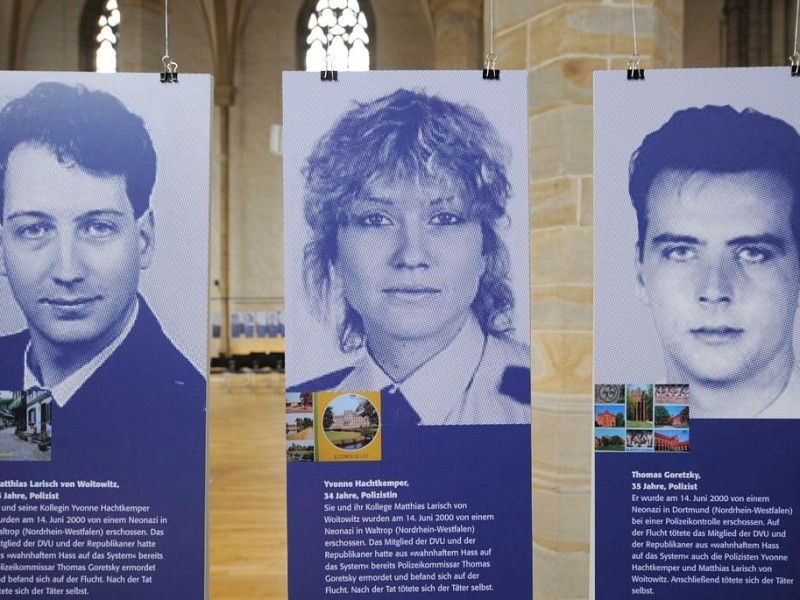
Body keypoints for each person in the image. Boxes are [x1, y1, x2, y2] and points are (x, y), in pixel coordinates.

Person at [0, 82, 204, 597]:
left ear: (144, 240)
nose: (66, 271)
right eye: (33, 229)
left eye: (96, 227)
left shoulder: (193, 415)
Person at [288, 89, 530, 426]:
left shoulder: (540, 400)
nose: (412, 256)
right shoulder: (306, 416)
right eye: (376, 219)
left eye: (445, 218)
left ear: (485, 252)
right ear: (334, 255)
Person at [629, 105, 800, 418]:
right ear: (640, 275)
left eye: (753, 252)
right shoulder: (625, 425)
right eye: (681, 251)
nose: (714, 289)